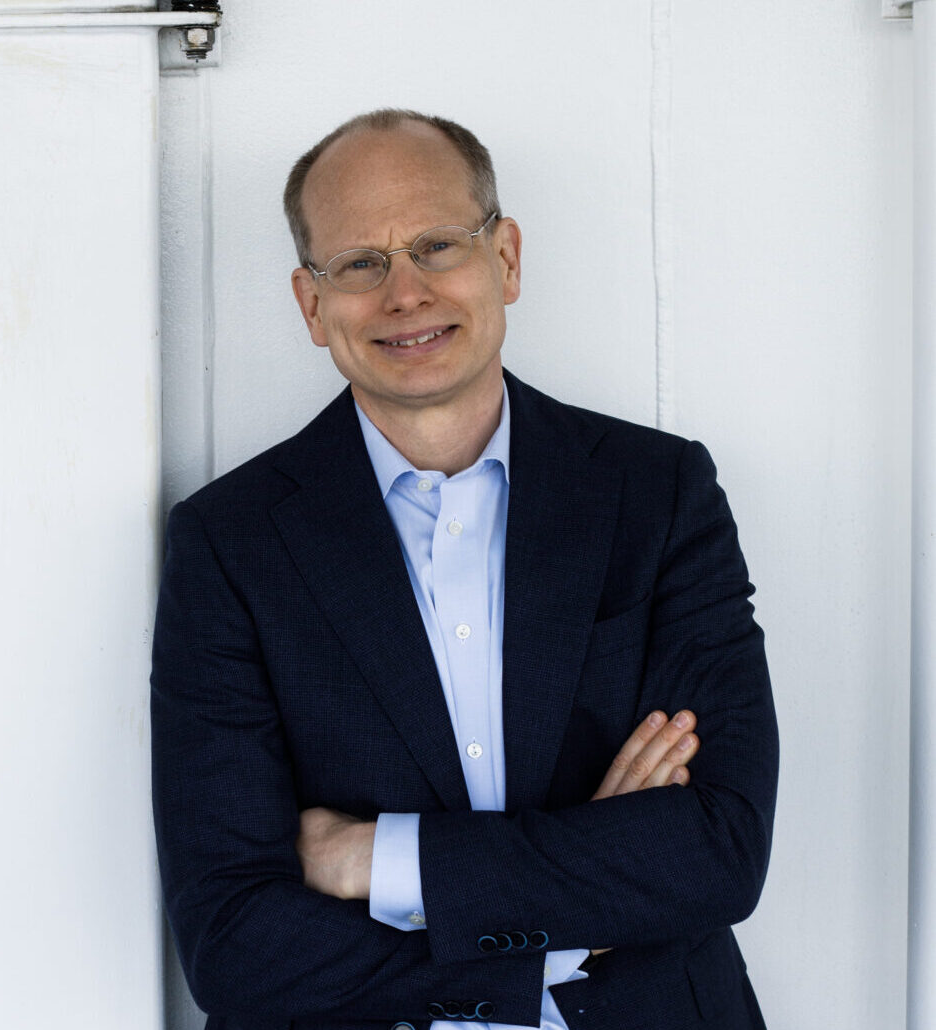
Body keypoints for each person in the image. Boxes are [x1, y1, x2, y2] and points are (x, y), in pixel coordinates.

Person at [150, 109, 777, 1030]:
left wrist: (377, 860)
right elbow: (234, 941)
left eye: (437, 245)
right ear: (310, 303)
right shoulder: (229, 542)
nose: (403, 293)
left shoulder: (658, 494)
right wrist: (563, 929)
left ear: (506, 259)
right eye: (359, 263)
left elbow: (717, 849)